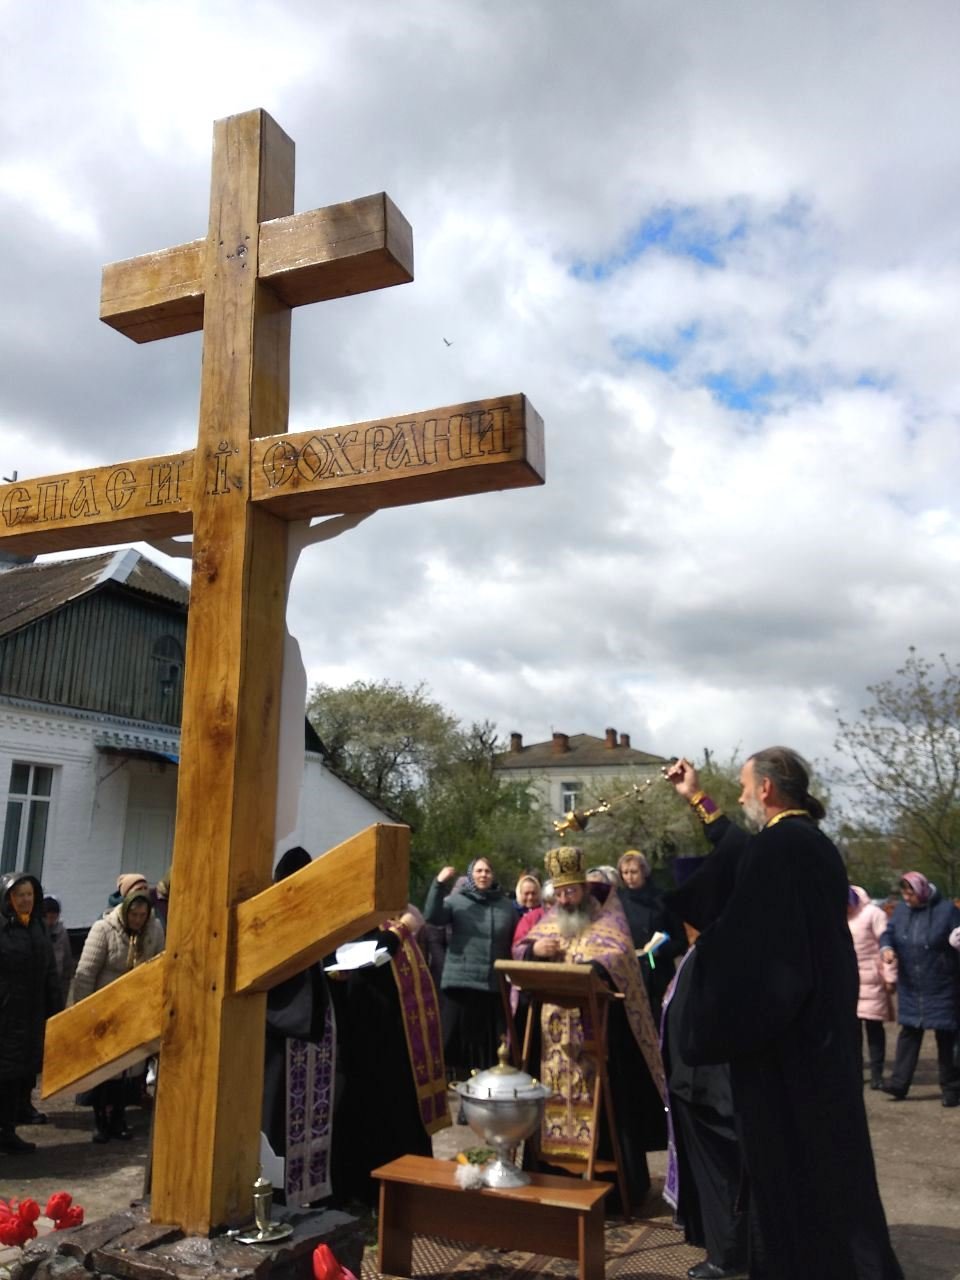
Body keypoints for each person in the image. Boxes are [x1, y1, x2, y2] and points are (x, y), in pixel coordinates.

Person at [664, 750, 903, 1280]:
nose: (742, 795)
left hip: (789, 1046)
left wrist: (708, 961)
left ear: (767, 789)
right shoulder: (807, 842)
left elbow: (754, 944)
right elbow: (740, 855)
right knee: (831, 1163)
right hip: (819, 1033)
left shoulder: (780, 847)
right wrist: (696, 797)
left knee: (797, 1168)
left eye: (745, 786)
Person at [516, 845, 667, 1207]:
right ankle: (552, 1178)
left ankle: (612, 1190)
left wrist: (595, 967)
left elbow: (619, 956)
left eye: (571, 891)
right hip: (552, 1039)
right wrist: (535, 952)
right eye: (559, 893)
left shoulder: (608, 917)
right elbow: (521, 950)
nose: (564, 900)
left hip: (597, 1037)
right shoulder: (548, 920)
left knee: (606, 1112)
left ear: (584, 888)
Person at [330, 904, 449, 1207]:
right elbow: (354, 959)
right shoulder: (345, 913)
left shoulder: (388, 916)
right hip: (365, 1032)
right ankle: (371, 1194)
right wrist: (403, 929)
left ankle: (408, 1189)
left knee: (402, 1105)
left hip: (400, 1036)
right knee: (372, 1110)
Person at [662, 946, 748, 1280]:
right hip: (697, 1082)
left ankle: (727, 1255)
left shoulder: (730, 947)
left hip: (711, 1087)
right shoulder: (717, 944)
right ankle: (721, 1243)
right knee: (715, 1173)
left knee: (723, 1174)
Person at [262, 846, 335, 1205]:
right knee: (274, 1115)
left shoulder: (312, 912)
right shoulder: (269, 917)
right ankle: (275, 1193)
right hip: (280, 1029)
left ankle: (305, 1190)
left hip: (306, 1027)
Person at [73, 886, 165, 1141]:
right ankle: (101, 1119)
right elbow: (86, 972)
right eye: (133, 914)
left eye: (142, 915)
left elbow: (160, 965)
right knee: (105, 1067)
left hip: (136, 1008)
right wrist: (83, 1011)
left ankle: (119, 1117)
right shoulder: (103, 929)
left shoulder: (154, 930)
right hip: (105, 1009)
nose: (137, 920)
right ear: (125, 912)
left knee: (130, 1067)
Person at [423, 856, 516, 1077]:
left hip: (492, 984)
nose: (483, 875)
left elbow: (514, 940)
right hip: (460, 983)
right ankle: (446, 1084)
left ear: (493, 876)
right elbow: (432, 916)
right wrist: (439, 884)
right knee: (452, 1041)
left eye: (487, 871)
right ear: (471, 875)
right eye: (479, 871)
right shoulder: (456, 901)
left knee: (489, 1045)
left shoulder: (505, 906)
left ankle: (485, 1087)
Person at [880, 871, 960, 1106]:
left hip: (941, 984)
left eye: (911, 893)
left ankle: (951, 1089)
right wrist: (887, 947)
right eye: (904, 893)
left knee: (946, 1037)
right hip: (912, 985)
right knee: (909, 1033)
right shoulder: (901, 911)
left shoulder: (947, 911)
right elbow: (888, 933)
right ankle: (899, 1084)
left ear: (922, 891)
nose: (907, 898)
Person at [0, 872, 63, 1154]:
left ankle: (8, 1130)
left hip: (31, 1013)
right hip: (6, 1013)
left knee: (20, 1076)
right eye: (19, 895)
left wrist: (56, 1010)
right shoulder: (3, 928)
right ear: (8, 898)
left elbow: (50, 971)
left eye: (29, 894)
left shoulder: (37, 926)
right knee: (4, 1075)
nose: (25, 900)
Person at [618, 849, 688, 1026]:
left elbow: (681, 941)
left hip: (659, 973)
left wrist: (660, 950)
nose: (630, 877)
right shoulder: (618, 902)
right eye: (625, 873)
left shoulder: (662, 899)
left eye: (634, 872)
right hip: (631, 972)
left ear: (644, 872)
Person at [847, 885, 896, 1090]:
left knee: (874, 1028)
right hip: (848, 980)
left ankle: (877, 1074)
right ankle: (856, 1072)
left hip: (872, 980)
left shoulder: (873, 914)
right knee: (852, 1032)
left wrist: (890, 977)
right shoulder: (837, 915)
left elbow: (886, 946)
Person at [42, 894, 76, 1007]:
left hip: (57, 987)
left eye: (54, 917)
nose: (51, 921)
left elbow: (67, 964)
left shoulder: (62, 933)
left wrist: (63, 996)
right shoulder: (36, 932)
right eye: (48, 917)